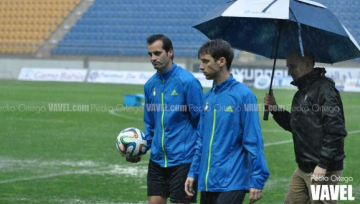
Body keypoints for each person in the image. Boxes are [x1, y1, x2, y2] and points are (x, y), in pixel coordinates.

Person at [185, 39, 269, 204]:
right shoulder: (207, 97)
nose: (201, 66)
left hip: (233, 180)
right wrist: (192, 172)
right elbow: (201, 140)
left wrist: (258, 179)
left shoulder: (244, 96)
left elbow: (253, 140)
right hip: (208, 181)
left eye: (205, 61)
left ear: (221, 61)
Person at [263, 49, 347, 204]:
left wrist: (323, 165)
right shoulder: (301, 93)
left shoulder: (325, 90)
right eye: (288, 67)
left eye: (292, 67)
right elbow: (294, 125)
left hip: (324, 169)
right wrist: (275, 109)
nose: (289, 72)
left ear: (308, 66)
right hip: (304, 167)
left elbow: (336, 131)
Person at [127, 34, 203, 204]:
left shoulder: (187, 82)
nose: (153, 58)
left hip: (183, 162)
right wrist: (140, 149)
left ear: (170, 52)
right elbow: (151, 127)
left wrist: (197, 161)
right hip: (157, 161)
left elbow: (201, 124)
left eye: (157, 53)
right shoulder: (150, 85)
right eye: (150, 54)